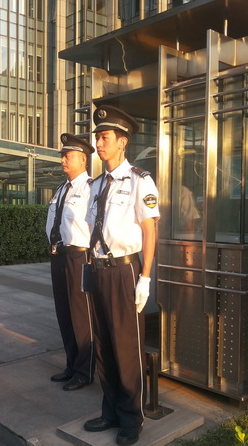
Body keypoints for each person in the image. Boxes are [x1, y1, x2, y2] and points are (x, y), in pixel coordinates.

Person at [83, 105, 160, 446]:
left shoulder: (140, 180)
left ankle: (131, 418)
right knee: (103, 344)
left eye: (104, 137)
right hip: (98, 269)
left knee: (126, 346)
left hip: (125, 270)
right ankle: (111, 410)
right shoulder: (97, 184)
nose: (98, 143)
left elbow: (149, 231)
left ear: (122, 142)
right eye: (97, 137)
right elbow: (93, 229)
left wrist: (145, 277)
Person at [45, 133, 96, 391]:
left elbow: (95, 226)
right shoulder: (61, 189)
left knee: (81, 315)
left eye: (69, 156)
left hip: (80, 256)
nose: (63, 160)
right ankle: (71, 364)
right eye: (63, 156)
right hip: (59, 256)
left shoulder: (90, 188)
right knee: (64, 313)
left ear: (83, 160)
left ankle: (84, 371)